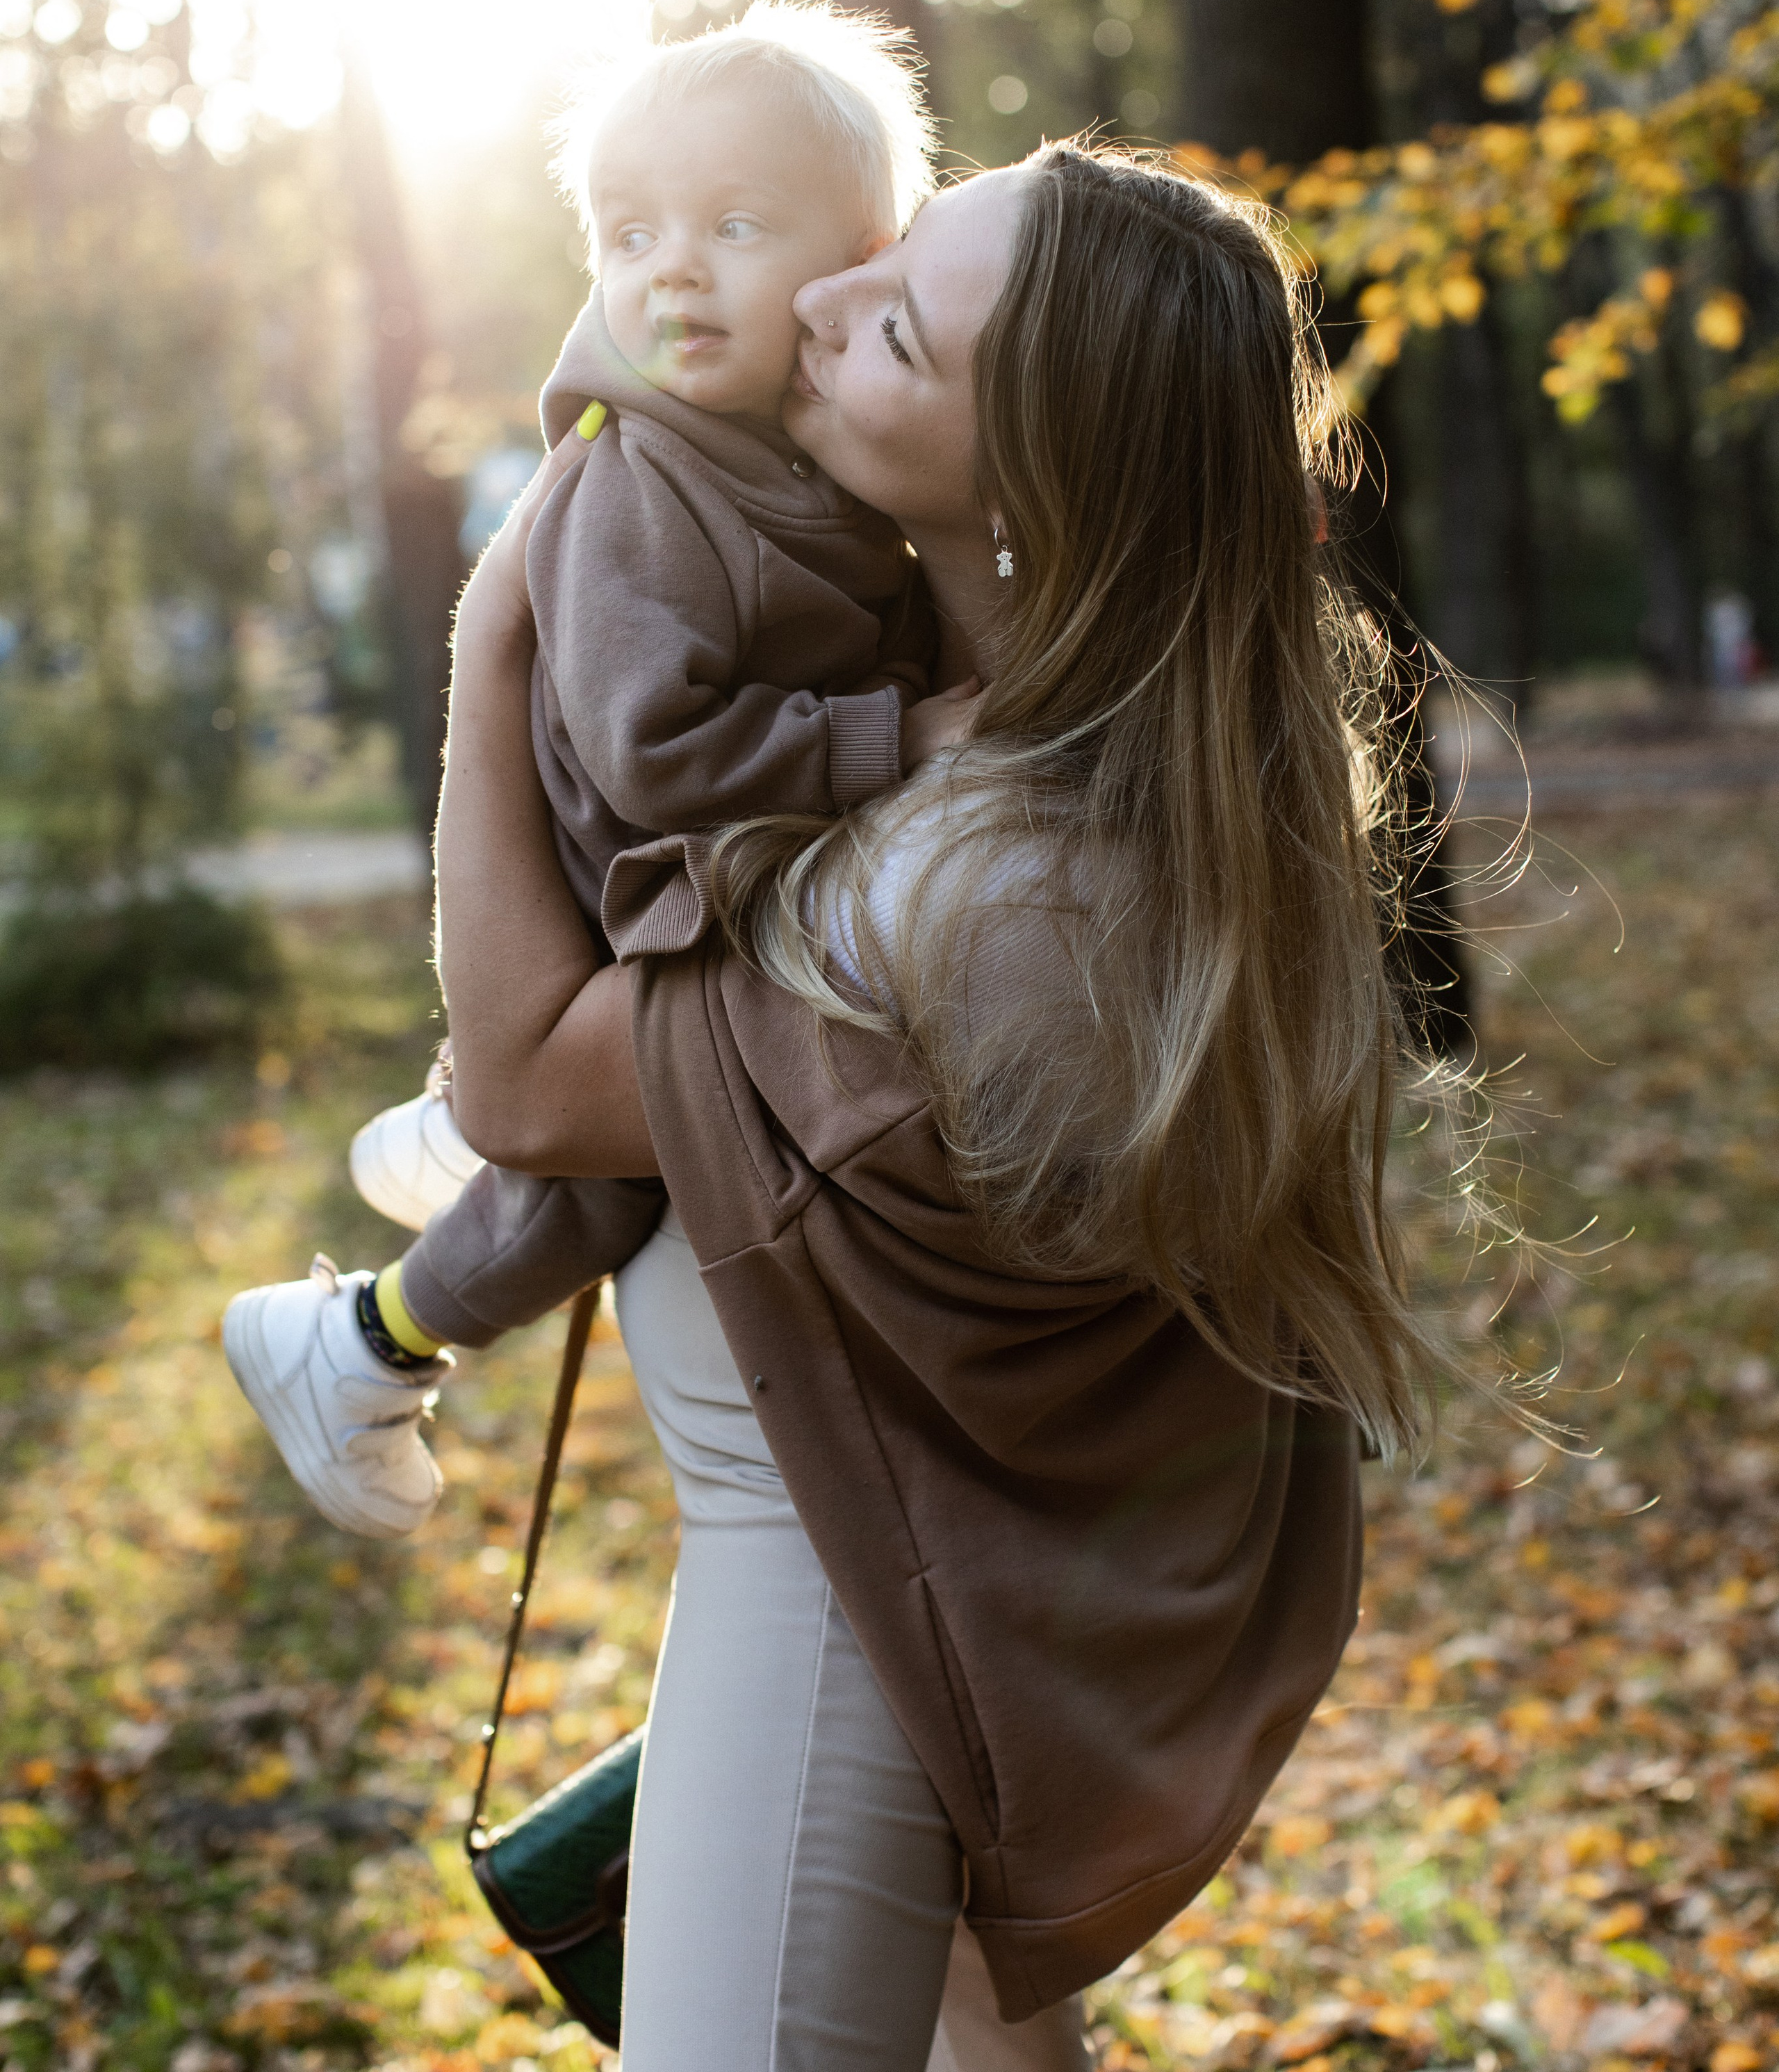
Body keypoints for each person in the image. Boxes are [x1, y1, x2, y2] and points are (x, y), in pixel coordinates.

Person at [422, 141, 1445, 2070]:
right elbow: (648, 305)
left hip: (839, 1636)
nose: (811, 302)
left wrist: (496, 645)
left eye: (889, 320)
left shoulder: (997, 885)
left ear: (1025, 494)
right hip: (886, 1590)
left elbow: (520, 1085)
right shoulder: (991, 751)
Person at [221, 2, 979, 1536]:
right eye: (629, 233)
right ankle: (358, 1345)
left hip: (719, 875)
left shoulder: (776, 449)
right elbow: (656, 746)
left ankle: (446, 1151)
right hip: (644, 883)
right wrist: (901, 741)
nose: (672, 269)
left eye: (734, 225)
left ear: (855, 265)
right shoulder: (641, 476)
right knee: (621, 1175)